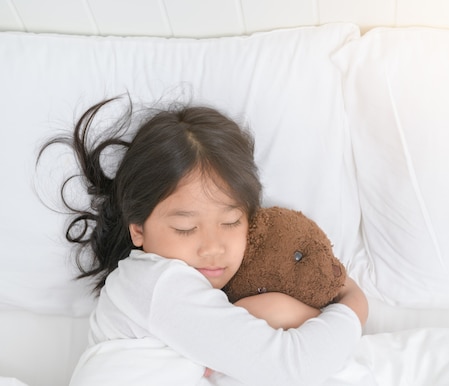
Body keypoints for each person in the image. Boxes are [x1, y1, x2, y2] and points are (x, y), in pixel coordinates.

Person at [39, 96, 368, 385]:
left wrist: (267, 310)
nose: (213, 247)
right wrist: (352, 304)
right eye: (185, 227)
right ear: (137, 229)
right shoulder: (157, 281)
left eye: (230, 222)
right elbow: (291, 367)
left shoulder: (190, 296)